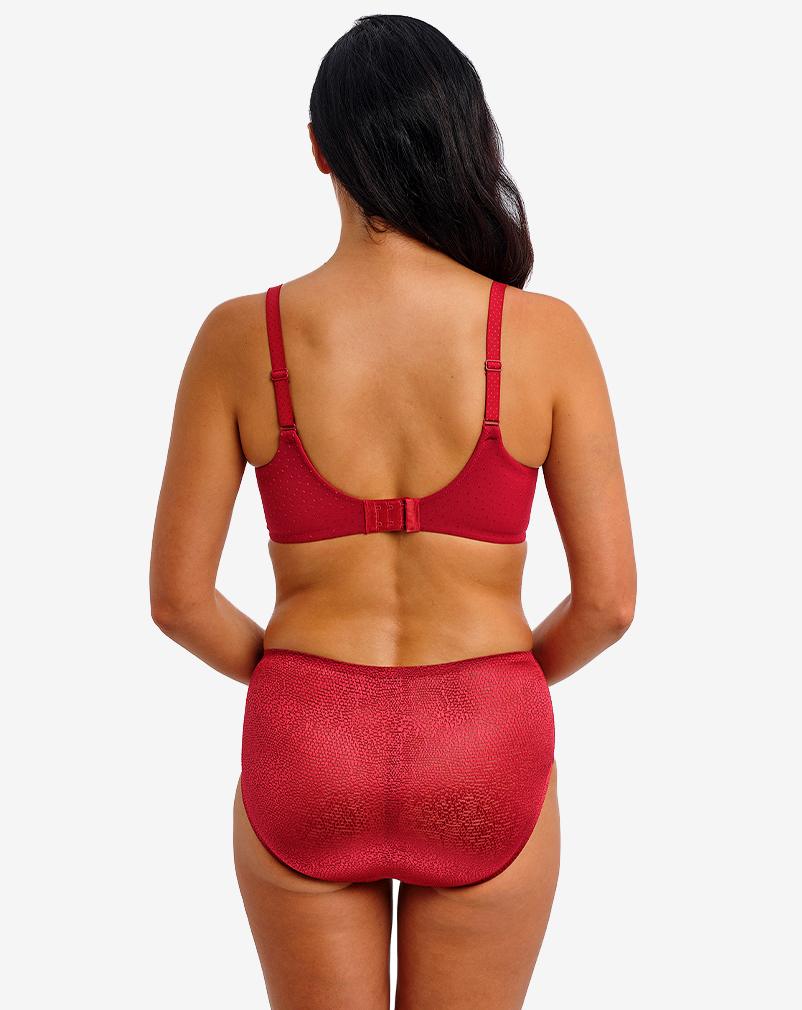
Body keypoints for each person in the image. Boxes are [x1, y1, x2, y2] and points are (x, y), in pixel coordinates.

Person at [150, 14, 636, 1010]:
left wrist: (300, 681)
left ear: (320, 148)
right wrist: (494, 685)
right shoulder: (544, 336)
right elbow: (609, 603)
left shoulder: (239, 337)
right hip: (487, 734)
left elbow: (179, 600)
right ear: (465, 136)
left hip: (306, 735)